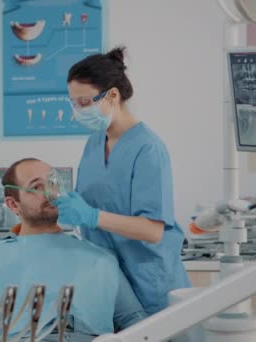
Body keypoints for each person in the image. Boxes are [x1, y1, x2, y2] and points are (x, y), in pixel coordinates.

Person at [0, 158, 147, 341]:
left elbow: (137, 322)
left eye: (53, 183)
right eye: (36, 187)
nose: (50, 192)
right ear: (13, 205)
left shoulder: (101, 258)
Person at [55, 46, 191, 316]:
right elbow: (91, 202)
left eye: (84, 102)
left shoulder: (147, 149)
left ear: (113, 96)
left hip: (149, 283)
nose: (77, 111)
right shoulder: (94, 143)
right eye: (73, 103)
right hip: (108, 280)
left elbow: (152, 230)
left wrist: (92, 216)